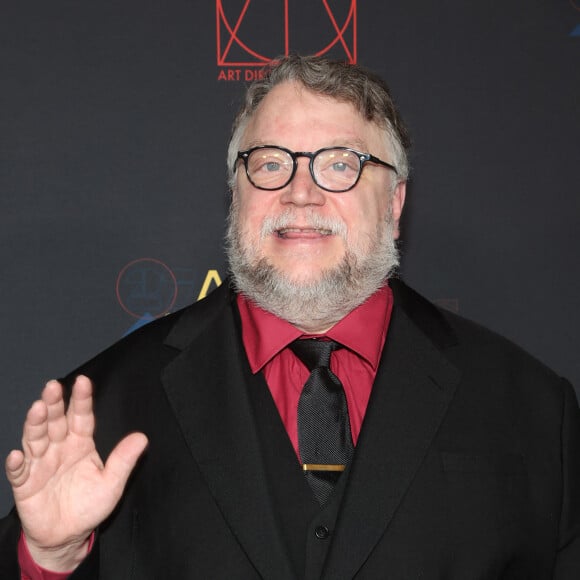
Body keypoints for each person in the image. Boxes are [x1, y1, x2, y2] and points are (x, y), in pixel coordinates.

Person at [0, 54, 578, 579]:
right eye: (271, 163)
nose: (301, 192)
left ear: (395, 203)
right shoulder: (106, 403)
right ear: (236, 195)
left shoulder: (531, 404)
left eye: (340, 164)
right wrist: (47, 560)